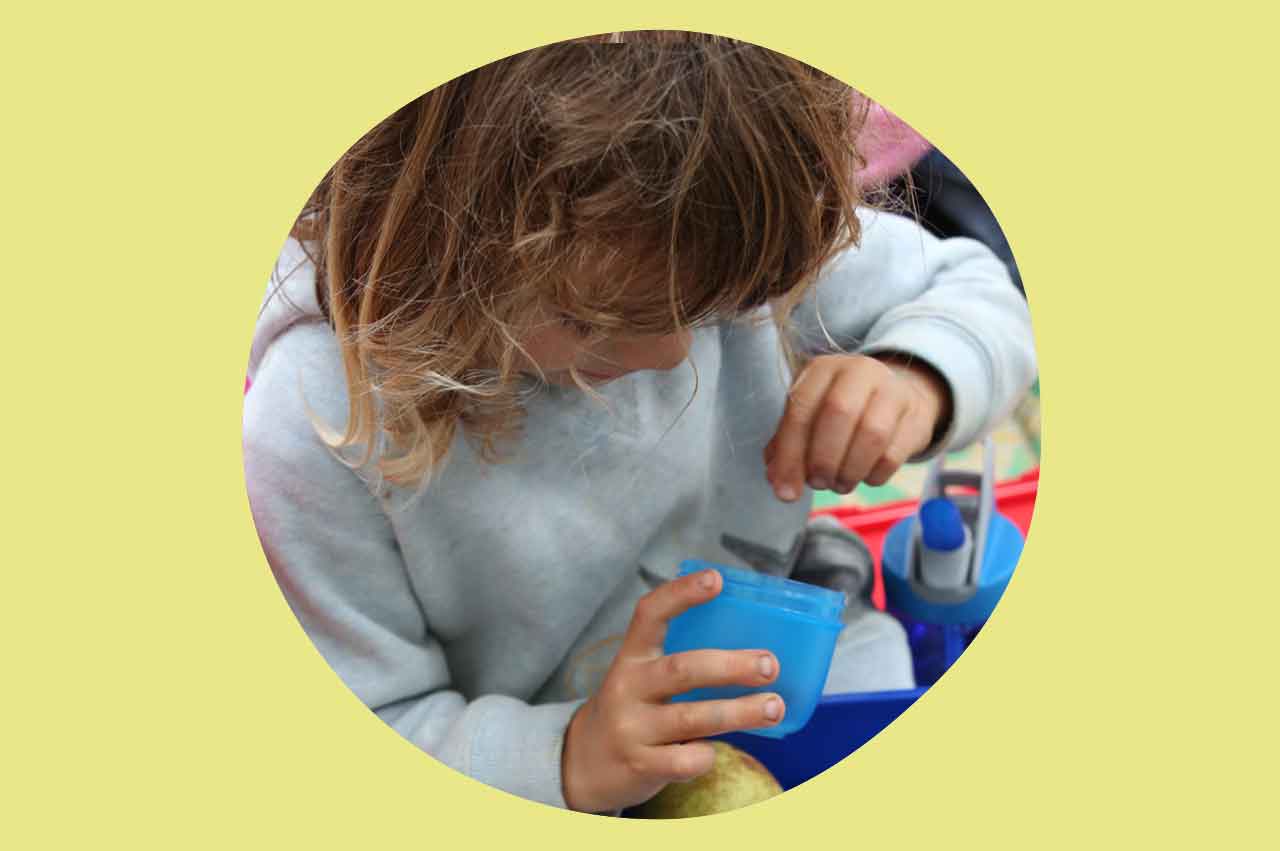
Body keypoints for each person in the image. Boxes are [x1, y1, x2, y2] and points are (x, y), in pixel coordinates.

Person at [243, 31, 1036, 814]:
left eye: (715, 309)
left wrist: (915, 374)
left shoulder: (723, 219)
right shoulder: (317, 425)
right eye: (591, 318)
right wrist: (565, 758)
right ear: (438, 244)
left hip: (776, 649)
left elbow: (977, 288)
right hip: (525, 755)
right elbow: (376, 718)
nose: (673, 354)